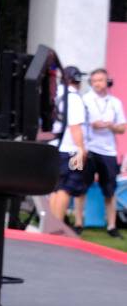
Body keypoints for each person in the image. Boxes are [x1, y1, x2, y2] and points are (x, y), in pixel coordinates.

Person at [76, 68, 124, 238]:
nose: (97, 83)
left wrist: (111, 125)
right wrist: (92, 125)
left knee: (109, 190)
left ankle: (111, 226)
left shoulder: (115, 102)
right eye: (94, 80)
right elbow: (77, 124)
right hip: (87, 149)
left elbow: (122, 128)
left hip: (108, 151)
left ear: (107, 81)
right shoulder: (84, 100)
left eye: (100, 80)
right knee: (80, 187)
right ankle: (78, 223)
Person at [48, 66, 89, 236]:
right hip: (70, 149)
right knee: (66, 188)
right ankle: (57, 227)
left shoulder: (57, 96)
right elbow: (75, 126)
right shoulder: (74, 99)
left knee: (56, 188)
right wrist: (81, 148)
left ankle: (51, 226)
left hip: (55, 147)